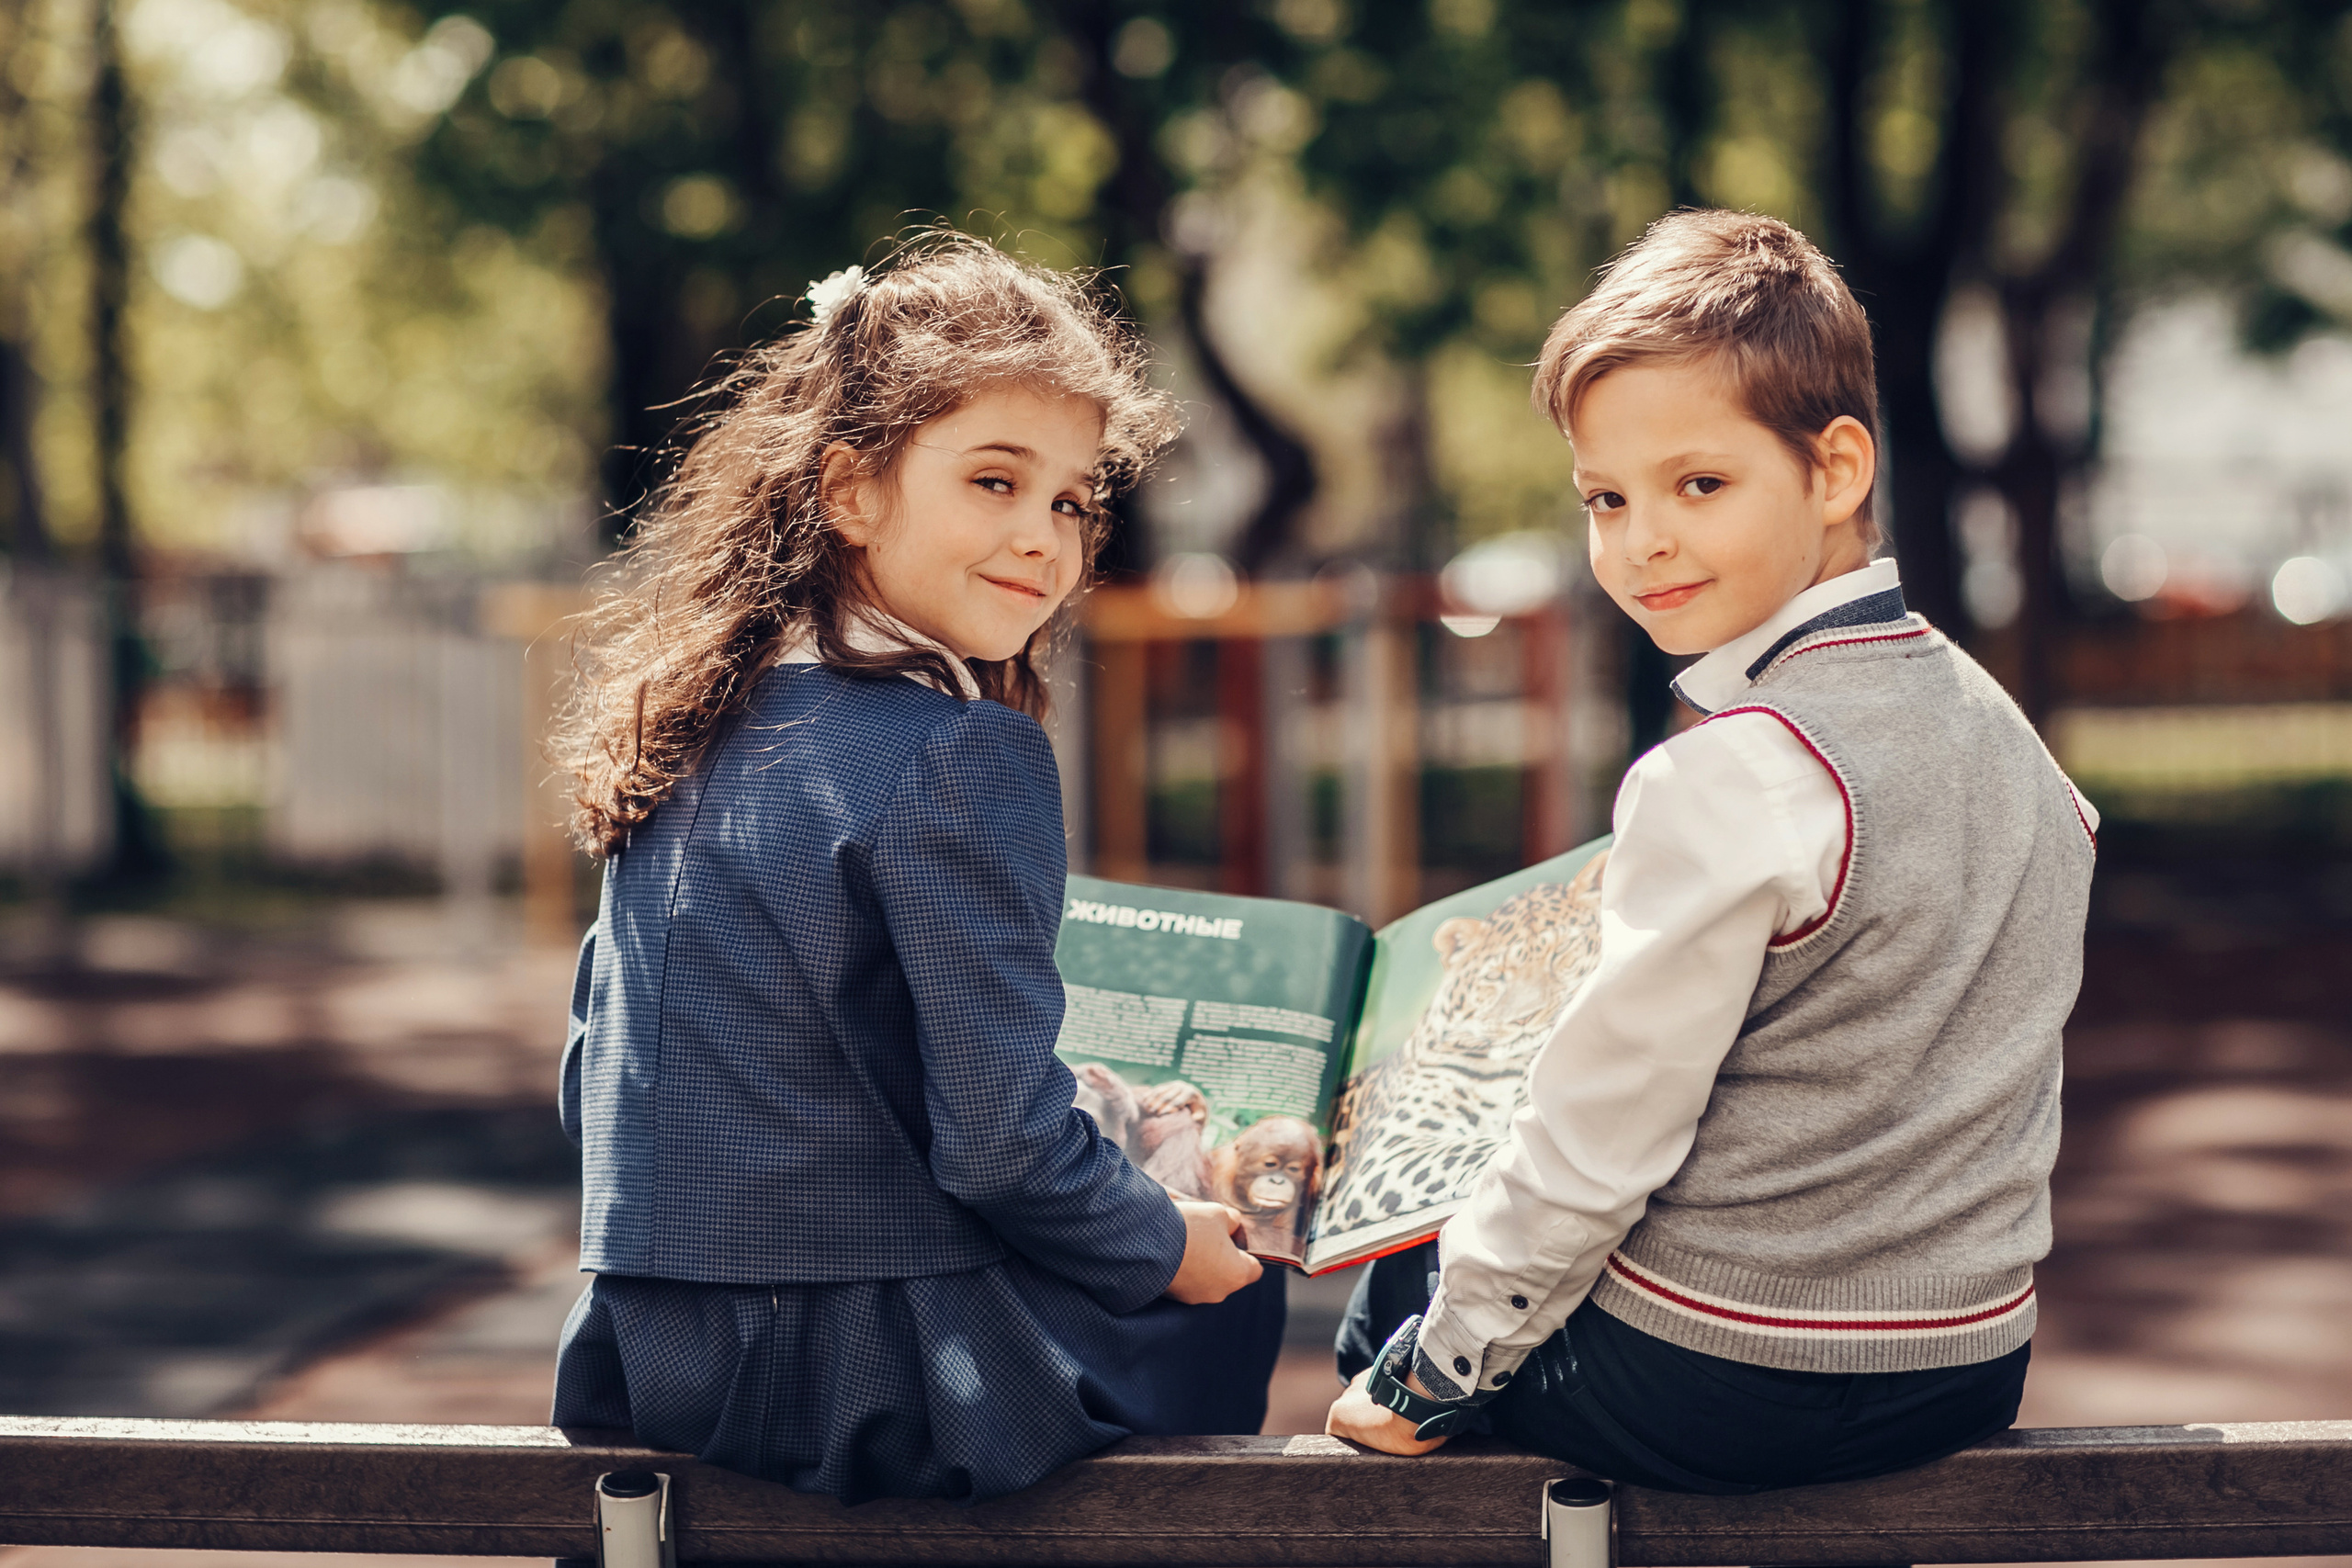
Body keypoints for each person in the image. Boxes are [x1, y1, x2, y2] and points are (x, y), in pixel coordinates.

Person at [1324, 209, 2098, 1493]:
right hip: (1966, 1356)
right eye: (1604, 500)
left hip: (1729, 1372)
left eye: (1699, 486)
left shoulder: (1729, 773)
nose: (1643, 543)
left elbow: (1599, 1137)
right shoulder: (2010, 740)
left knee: (1420, 1255)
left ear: (1837, 470)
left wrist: (1435, 1365)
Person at [548, 235, 1273, 1506]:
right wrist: (1169, 1247)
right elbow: (997, 1152)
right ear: (851, 492)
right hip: (870, 1376)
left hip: (647, 1353)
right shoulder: (962, 751)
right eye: (995, 480)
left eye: (1070, 500)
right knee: (1226, 1304)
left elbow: (596, 1075)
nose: (1043, 537)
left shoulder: (688, 724)